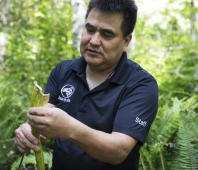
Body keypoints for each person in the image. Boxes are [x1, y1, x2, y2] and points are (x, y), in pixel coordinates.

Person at [14, 0, 158, 169]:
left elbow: (119, 150)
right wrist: (28, 132)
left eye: (107, 34)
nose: (94, 41)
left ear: (126, 41)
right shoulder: (63, 71)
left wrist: (70, 128)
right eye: (90, 29)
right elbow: (43, 120)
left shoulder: (140, 85)